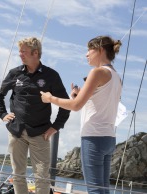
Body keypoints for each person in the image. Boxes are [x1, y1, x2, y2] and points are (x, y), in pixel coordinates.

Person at [40, 35, 122, 194]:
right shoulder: (117, 77)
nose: (86, 54)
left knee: (94, 191)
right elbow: (98, 103)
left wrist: (50, 98)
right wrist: (77, 96)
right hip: (109, 138)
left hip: (93, 138)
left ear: (100, 50)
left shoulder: (97, 72)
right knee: (103, 190)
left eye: (89, 50)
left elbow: (76, 107)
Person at [0, 37, 70, 194]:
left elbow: (65, 103)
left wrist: (55, 127)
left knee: (42, 176)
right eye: (20, 51)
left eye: (23, 51)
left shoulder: (51, 75)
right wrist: (3, 114)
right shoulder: (14, 73)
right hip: (16, 131)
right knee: (18, 174)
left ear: (35, 53)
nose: (20, 54)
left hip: (40, 133)